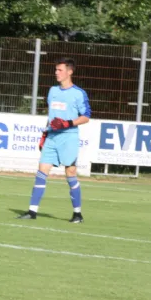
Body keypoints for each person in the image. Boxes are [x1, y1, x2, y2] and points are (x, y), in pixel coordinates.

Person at [17, 57, 91, 223]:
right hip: (52, 136)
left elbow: (86, 117)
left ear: (69, 71)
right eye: (56, 70)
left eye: (60, 70)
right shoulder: (52, 91)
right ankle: (32, 211)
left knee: (70, 173)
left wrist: (68, 123)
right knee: (42, 171)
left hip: (68, 137)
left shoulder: (78, 93)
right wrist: (44, 134)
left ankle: (77, 214)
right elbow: (51, 116)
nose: (56, 73)